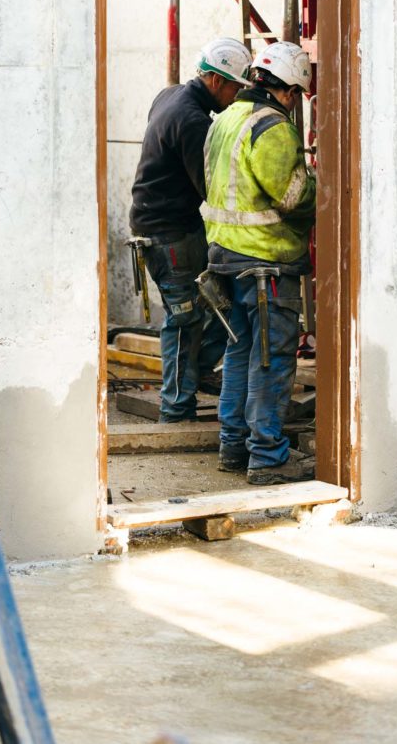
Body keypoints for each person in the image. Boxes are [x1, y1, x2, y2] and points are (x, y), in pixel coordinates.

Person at [203, 41, 317, 484]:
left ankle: (233, 448)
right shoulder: (271, 126)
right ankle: (267, 457)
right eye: (297, 96)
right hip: (265, 259)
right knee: (271, 358)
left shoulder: (226, 118)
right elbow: (290, 197)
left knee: (240, 352)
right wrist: (318, 185)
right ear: (288, 90)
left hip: (225, 257)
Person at [129, 38, 252, 422]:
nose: (236, 97)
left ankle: (192, 377)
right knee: (184, 318)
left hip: (161, 222)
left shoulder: (170, 96)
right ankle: (176, 409)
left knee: (211, 308)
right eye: (235, 87)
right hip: (170, 233)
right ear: (216, 81)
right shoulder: (193, 121)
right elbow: (210, 188)